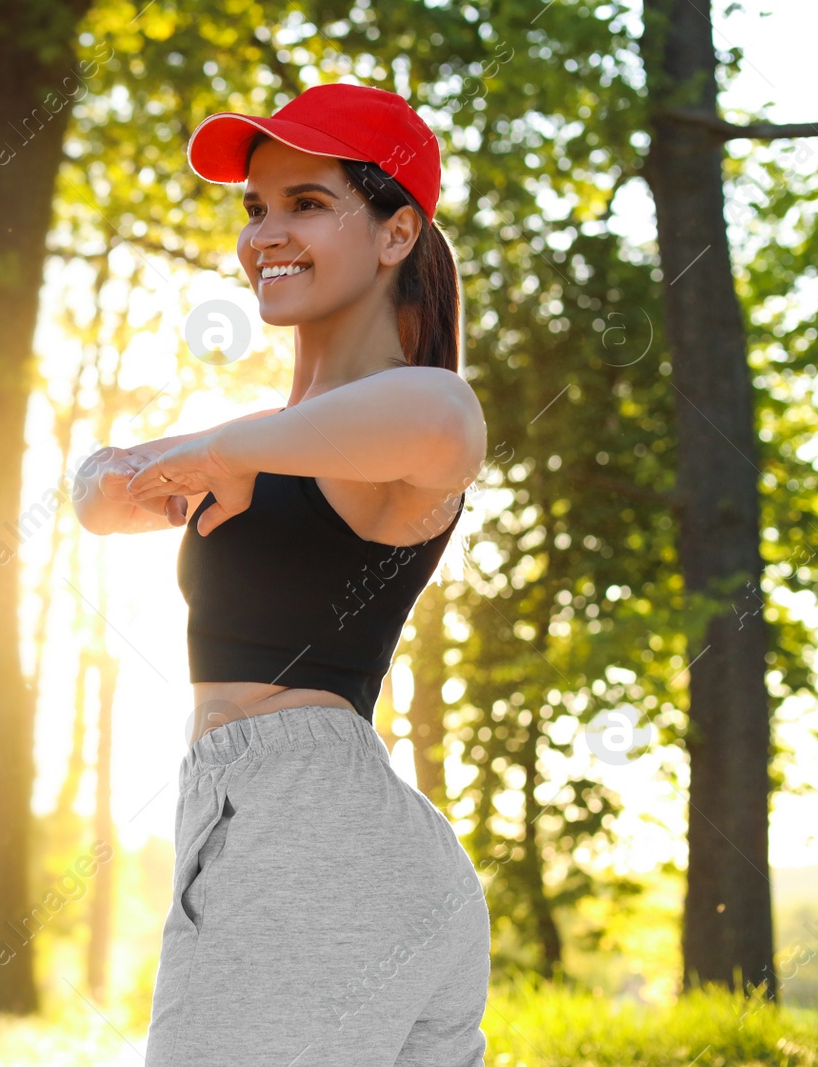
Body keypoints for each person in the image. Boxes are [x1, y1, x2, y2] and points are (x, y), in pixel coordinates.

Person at [73, 83, 490, 1065]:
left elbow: (447, 424)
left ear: (395, 234)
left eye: (307, 203)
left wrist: (225, 450)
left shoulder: (404, 411)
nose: (267, 233)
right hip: (339, 845)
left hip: (304, 843)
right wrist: (192, 460)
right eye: (255, 208)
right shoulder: (270, 439)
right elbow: (97, 487)